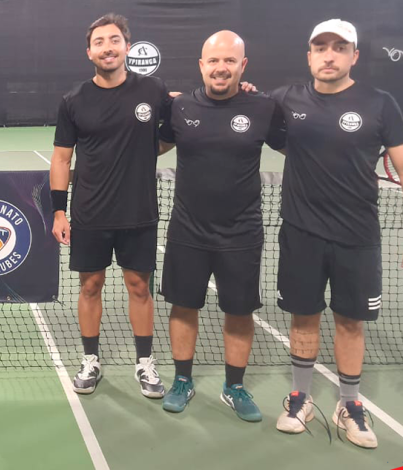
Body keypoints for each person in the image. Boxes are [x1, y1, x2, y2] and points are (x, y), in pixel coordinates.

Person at [271, 19, 403, 449]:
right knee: (303, 316)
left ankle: (350, 403)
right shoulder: (285, 100)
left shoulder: (380, 104)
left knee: (350, 321)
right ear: (309, 55)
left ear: (354, 56)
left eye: (339, 47)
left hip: (357, 236)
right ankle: (300, 397)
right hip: (301, 233)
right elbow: (243, 112)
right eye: (321, 47)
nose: (329, 55)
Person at [157, 31, 285, 421]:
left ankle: (234, 387)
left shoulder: (262, 107)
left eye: (230, 60)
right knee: (183, 307)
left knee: (239, 312)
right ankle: (182, 380)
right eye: (213, 60)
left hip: (242, 233)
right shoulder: (180, 108)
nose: (221, 68)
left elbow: (298, 148)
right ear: (201, 65)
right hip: (187, 231)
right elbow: (151, 146)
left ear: (242, 66)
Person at [49, 13, 172, 398]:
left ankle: (145, 362)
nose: (108, 47)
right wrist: (58, 211)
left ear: (127, 47)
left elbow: (173, 132)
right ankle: (90, 360)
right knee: (90, 286)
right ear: (89, 52)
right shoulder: (73, 101)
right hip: (90, 212)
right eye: (99, 42)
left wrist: (143, 152)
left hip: (139, 212)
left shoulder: (153, 91)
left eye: (114, 40)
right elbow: (61, 158)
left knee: (139, 287)